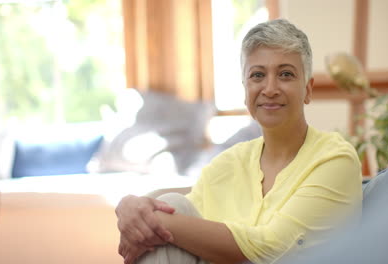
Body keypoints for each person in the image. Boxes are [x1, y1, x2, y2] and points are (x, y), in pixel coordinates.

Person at [115, 18, 363, 264]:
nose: (270, 88)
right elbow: (175, 216)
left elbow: (272, 249)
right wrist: (132, 207)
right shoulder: (226, 165)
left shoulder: (335, 159)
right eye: (257, 75)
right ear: (245, 89)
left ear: (308, 89)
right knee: (170, 205)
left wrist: (154, 220)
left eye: (286, 74)